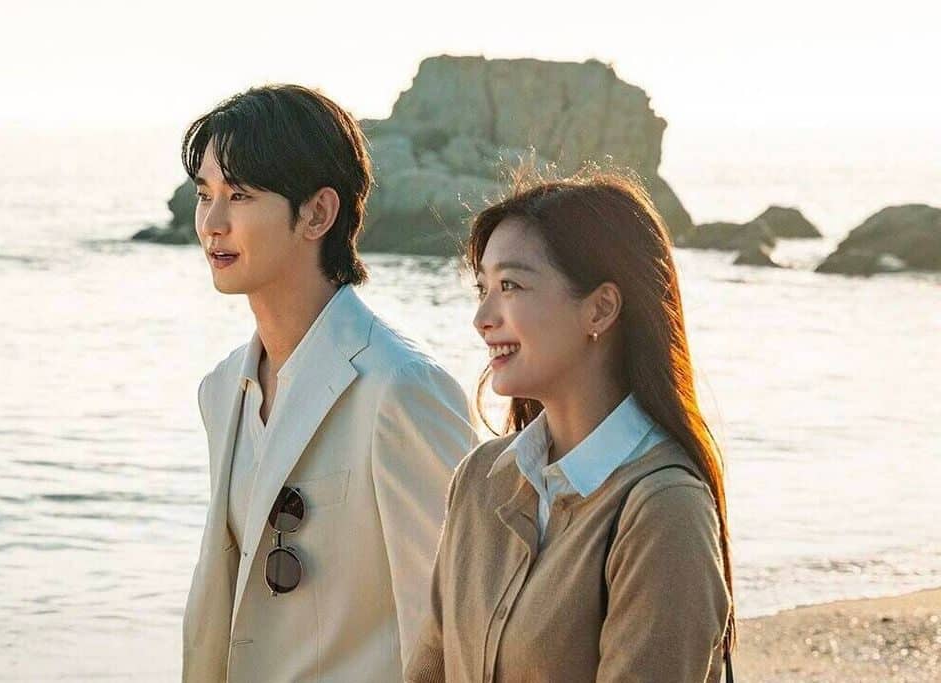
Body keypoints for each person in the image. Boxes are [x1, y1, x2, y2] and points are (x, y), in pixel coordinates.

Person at [180, 85, 478, 683]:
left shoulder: (402, 388)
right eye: (205, 195)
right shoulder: (222, 389)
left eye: (239, 195)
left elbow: (451, 628)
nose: (212, 223)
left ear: (317, 213)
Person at [405, 170, 736, 682]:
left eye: (510, 286)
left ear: (600, 309)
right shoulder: (479, 478)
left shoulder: (664, 509)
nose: (482, 318)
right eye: (482, 288)